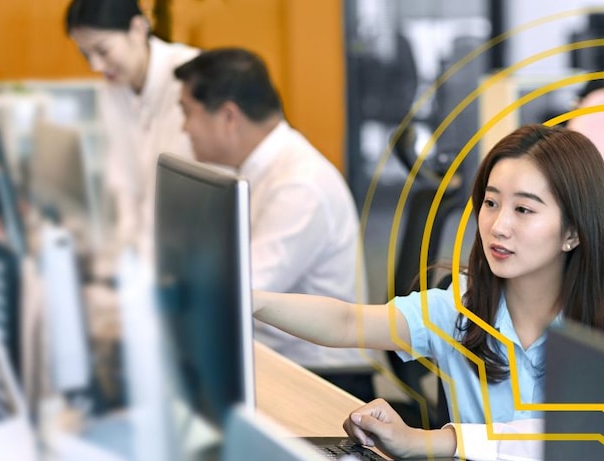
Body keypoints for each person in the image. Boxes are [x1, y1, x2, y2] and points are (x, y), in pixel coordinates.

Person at [253, 123, 604, 461]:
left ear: (572, 232)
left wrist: (424, 444)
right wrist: (252, 301)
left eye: (523, 209)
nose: (498, 226)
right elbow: (346, 323)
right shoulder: (460, 310)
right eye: (490, 202)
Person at [172, 48, 376, 399]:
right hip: (275, 361)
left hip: (322, 380)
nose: (184, 128)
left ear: (228, 116)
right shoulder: (261, 171)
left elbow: (238, 294)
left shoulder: (298, 186)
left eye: (188, 113)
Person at [65, 0, 199, 260]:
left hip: (188, 242)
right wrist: (122, 252)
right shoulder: (114, 90)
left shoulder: (189, 77)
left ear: (138, 28)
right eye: (85, 54)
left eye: (102, 50)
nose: (96, 66)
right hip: (148, 252)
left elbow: (172, 189)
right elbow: (125, 182)